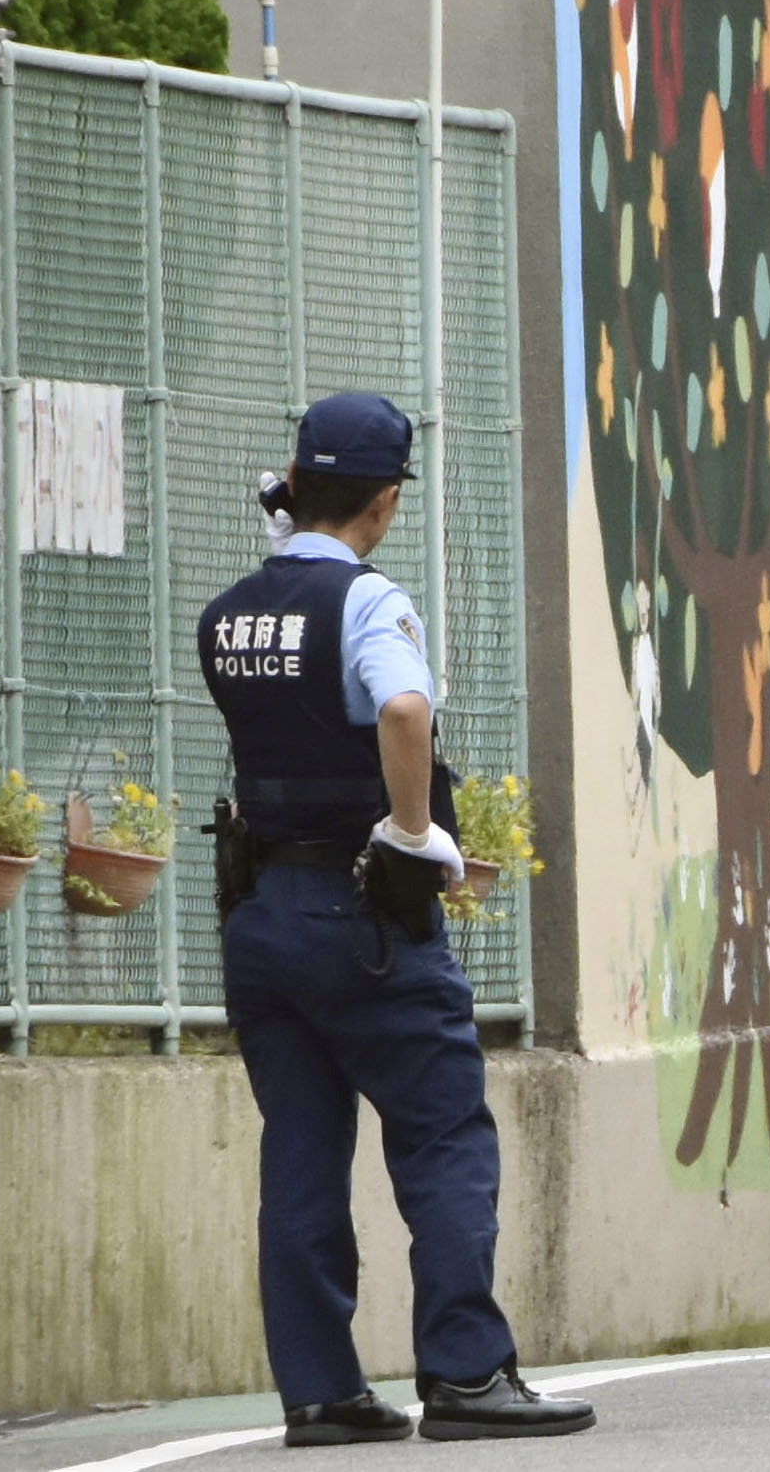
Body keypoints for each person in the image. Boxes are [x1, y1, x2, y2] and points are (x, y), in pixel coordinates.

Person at [201, 393, 593, 1446]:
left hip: (260, 917)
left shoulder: (232, 609)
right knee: (443, 1136)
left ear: (292, 481)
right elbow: (403, 708)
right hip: (361, 915)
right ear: (384, 501)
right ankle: (465, 1374)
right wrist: (415, 836)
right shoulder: (372, 604)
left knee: (300, 1151)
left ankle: (320, 1392)